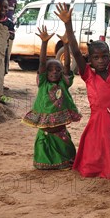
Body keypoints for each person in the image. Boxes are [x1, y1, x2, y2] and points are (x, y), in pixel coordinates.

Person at [54, 0, 110, 179]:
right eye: (96, 57)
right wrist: (68, 23)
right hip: (98, 118)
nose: (101, 60)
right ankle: (99, 168)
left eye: (105, 56)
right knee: (97, 147)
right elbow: (76, 51)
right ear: (91, 60)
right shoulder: (88, 75)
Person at [22, 25, 82, 170]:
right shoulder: (42, 83)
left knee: (63, 140)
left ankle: (64, 161)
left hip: (60, 127)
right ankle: (46, 163)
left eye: (58, 70)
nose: (54, 72)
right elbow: (42, 63)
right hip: (45, 124)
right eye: (50, 70)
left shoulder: (64, 83)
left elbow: (67, 64)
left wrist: (66, 45)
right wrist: (44, 43)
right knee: (45, 135)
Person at [1, 0, 17, 79]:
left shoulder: (14, 1)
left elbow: (12, 13)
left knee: (6, 56)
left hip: (9, 28)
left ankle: (2, 79)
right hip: (1, 26)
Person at [0, 0, 15, 77]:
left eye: (5, 7)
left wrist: (6, 34)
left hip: (3, 48)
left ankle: (1, 83)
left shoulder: (9, 23)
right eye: (0, 6)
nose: (3, 9)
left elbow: (12, 36)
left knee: (3, 65)